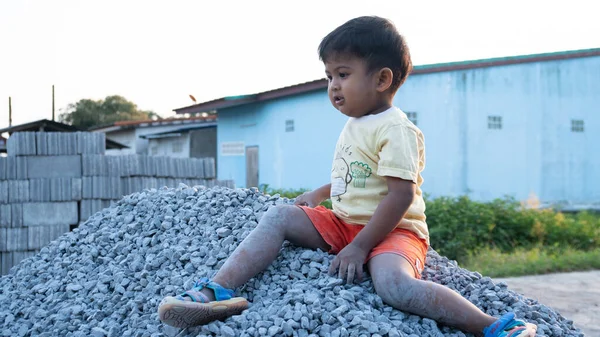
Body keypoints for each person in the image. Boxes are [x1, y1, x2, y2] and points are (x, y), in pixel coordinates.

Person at [158, 16, 537, 337]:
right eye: (328, 76)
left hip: (393, 231)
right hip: (342, 223)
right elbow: (356, 176)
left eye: (343, 74)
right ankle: (216, 290)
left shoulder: (397, 129)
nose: (333, 86)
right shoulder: (357, 124)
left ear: (382, 79)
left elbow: (400, 196)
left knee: (394, 287)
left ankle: (493, 326)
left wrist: (359, 247)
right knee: (278, 217)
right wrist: (322, 193)